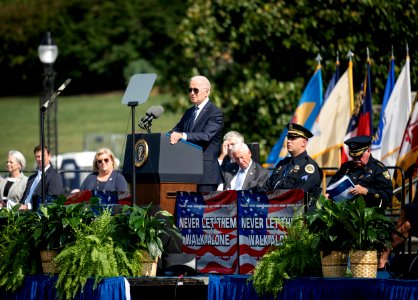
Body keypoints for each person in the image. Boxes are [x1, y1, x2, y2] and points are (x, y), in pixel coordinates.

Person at [170, 75, 223, 192]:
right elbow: (175, 130)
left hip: (206, 175)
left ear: (207, 92)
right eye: (190, 90)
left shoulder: (215, 113)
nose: (192, 93)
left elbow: (206, 136)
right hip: (187, 172)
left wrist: (182, 136)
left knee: (204, 210)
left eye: (196, 90)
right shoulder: (189, 112)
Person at [328, 136, 393, 208]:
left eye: (359, 156)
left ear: (368, 150)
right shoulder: (346, 167)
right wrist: (329, 194)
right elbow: (332, 184)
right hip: (346, 212)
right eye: (353, 157)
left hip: (368, 214)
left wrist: (366, 191)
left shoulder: (378, 169)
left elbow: (387, 196)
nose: (356, 160)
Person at [263, 123, 322, 199]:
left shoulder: (309, 168)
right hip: (273, 207)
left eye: (293, 138)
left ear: (304, 143)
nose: (288, 141)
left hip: (293, 210)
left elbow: (296, 198)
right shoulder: (283, 163)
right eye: (288, 138)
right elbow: (266, 187)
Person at [21, 145, 65, 210]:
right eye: (37, 156)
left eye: (43, 156)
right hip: (21, 213)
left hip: (37, 215)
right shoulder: (32, 178)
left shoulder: (54, 176)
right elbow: (24, 199)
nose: (40, 159)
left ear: (49, 156)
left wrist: (28, 207)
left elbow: (52, 201)